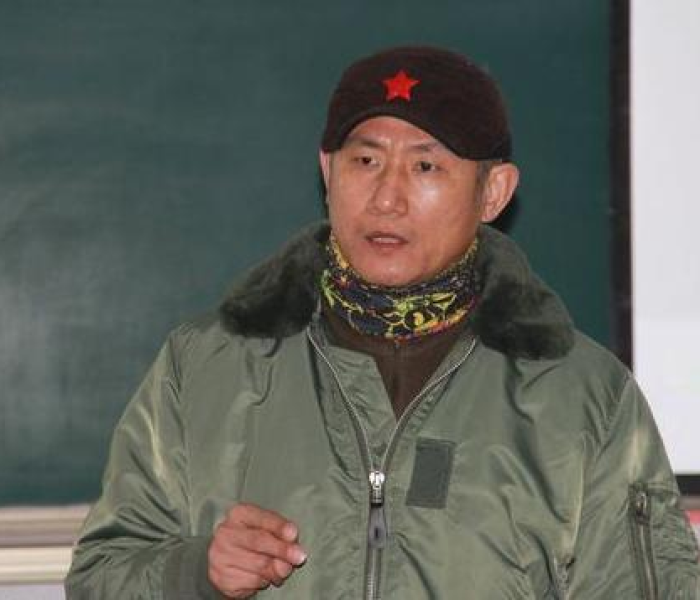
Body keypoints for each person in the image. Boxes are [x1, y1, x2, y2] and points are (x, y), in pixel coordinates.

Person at [65, 46, 700, 599]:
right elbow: (100, 577)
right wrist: (197, 572)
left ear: (494, 192)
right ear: (328, 171)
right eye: (365, 161)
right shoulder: (204, 368)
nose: (387, 198)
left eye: (426, 167)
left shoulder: (583, 396)